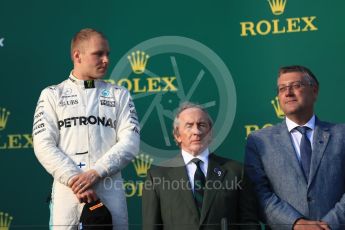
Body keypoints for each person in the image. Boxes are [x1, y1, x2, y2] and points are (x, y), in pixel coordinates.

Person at [32, 28, 140, 230]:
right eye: (98, 54)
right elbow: (43, 144)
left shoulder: (119, 94)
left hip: (109, 189)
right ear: (77, 55)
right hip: (67, 192)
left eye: (108, 54)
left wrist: (96, 173)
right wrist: (74, 179)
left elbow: (130, 142)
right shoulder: (52, 95)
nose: (106, 60)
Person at [245, 65, 345, 230]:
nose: (288, 93)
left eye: (296, 86)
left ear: (314, 91)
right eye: (282, 88)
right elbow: (259, 193)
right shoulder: (258, 141)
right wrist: (295, 224)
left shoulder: (341, 135)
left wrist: (329, 225)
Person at [142, 102, 260, 230]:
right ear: (177, 135)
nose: (196, 131)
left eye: (201, 125)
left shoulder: (236, 172)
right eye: (189, 126)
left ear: (210, 133)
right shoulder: (157, 176)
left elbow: (249, 223)